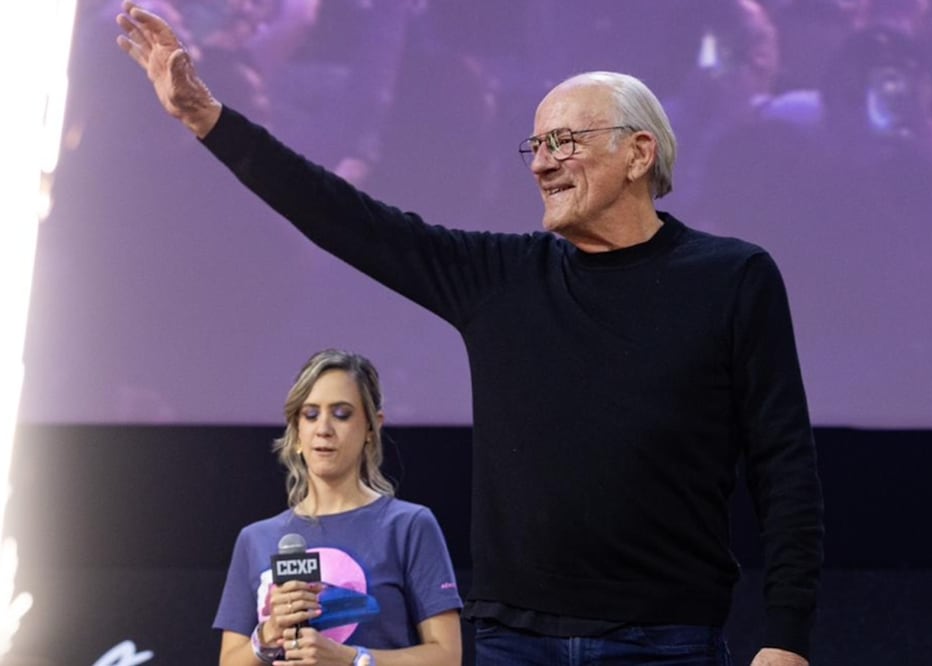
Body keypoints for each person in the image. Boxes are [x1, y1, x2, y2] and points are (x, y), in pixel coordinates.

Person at [117, 2, 825, 664]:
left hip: (666, 640)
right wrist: (207, 119)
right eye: (535, 146)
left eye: (564, 142)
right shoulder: (500, 277)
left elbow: (783, 465)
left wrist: (787, 635)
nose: (541, 162)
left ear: (638, 154)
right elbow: (344, 218)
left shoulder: (732, 278)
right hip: (512, 641)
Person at [212, 349, 463, 666]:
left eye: (342, 414)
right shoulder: (255, 539)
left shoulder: (409, 525)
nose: (324, 429)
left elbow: (447, 656)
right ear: (297, 431)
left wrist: (352, 659)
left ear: (372, 428)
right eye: (310, 415)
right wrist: (268, 634)